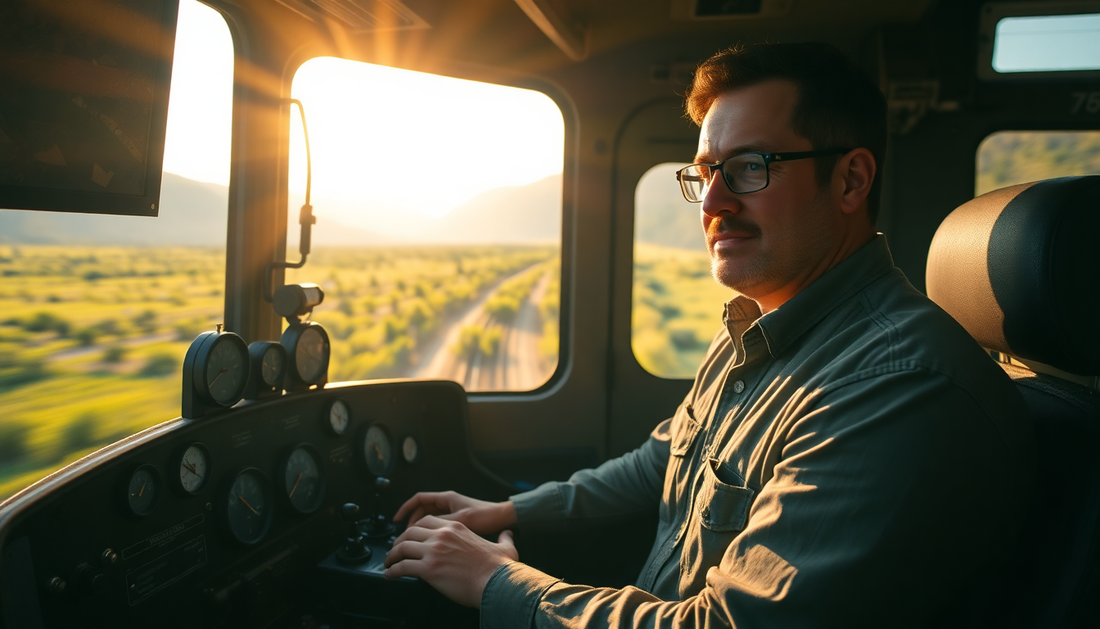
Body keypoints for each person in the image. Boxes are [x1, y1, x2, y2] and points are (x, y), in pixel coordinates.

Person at [383, 42, 1034, 628]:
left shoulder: (896, 386)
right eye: (705, 171)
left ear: (850, 180)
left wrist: (497, 579)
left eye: (750, 167)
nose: (714, 202)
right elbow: (667, 458)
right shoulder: (761, 324)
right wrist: (511, 511)